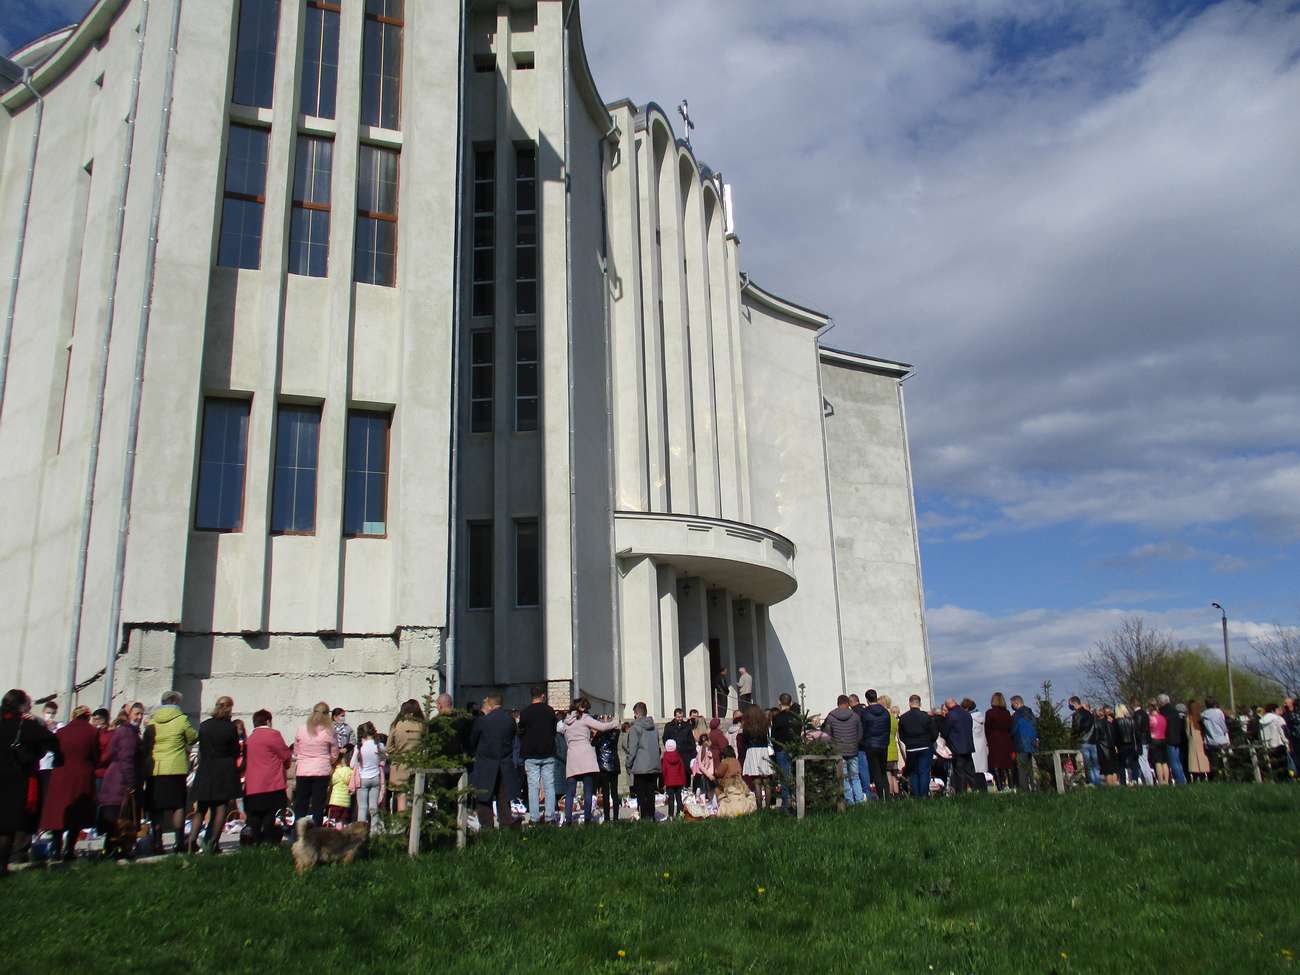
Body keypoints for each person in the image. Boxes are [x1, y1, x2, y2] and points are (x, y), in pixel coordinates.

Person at [1, 690, 60, 875]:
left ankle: (4, 864)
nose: (30, 707)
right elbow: (51, 739)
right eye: (27, 704)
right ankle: (13, 859)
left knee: (4, 824)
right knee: (17, 821)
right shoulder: (26, 724)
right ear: (21, 706)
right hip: (20, 779)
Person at [38, 704, 98, 861]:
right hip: (81, 776)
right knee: (78, 813)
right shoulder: (92, 732)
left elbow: (55, 751)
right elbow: (95, 754)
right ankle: (69, 849)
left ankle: (55, 848)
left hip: (60, 775)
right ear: (87, 716)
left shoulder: (61, 732)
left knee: (58, 813)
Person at [144, 690, 198, 854]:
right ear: (175, 702)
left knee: (156, 807)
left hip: (156, 768)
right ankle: (178, 842)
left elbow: (147, 742)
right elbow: (193, 738)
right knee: (178, 806)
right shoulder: (181, 719)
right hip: (176, 768)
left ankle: (157, 842)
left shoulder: (153, 720)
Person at [188, 695, 242, 854]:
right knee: (220, 807)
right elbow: (235, 751)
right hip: (224, 769)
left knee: (201, 808)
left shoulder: (204, 725)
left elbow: (202, 747)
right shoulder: (230, 728)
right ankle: (212, 843)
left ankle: (191, 841)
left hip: (206, 767)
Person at [562, 698, 619, 825]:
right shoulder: (585, 718)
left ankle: (568, 820)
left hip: (572, 757)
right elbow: (602, 727)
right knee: (588, 790)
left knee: (570, 792)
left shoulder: (566, 721)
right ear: (582, 707)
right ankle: (587, 819)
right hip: (586, 756)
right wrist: (615, 722)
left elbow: (566, 740)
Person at [468, 693, 518, 829]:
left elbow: (473, 741)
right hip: (504, 763)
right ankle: (506, 825)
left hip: (486, 764)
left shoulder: (483, 721)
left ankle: (487, 827)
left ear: (490, 704)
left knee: (484, 798)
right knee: (503, 798)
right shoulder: (510, 721)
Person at [98, 706, 142, 856]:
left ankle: (111, 850)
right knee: (120, 819)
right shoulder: (127, 733)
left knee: (116, 819)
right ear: (128, 714)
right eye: (136, 714)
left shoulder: (126, 731)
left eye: (141, 714)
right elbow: (126, 759)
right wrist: (131, 782)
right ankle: (117, 850)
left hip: (116, 778)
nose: (139, 717)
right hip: (120, 781)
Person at [243, 709, 291, 845]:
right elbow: (285, 755)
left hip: (253, 785)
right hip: (271, 783)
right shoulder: (273, 735)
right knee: (270, 814)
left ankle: (256, 841)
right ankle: (269, 842)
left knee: (255, 816)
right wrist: (286, 765)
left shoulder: (250, 739)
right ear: (268, 721)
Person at [517, 686, 558, 825]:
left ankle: (534, 818)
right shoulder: (550, 711)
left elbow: (521, 731)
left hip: (530, 753)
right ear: (543, 696)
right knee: (549, 786)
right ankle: (550, 817)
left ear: (531, 696)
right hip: (548, 752)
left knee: (533, 787)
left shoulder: (525, 712)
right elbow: (554, 731)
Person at [294, 701, 339, 825]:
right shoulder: (329, 731)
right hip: (321, 770)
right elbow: (335, 753)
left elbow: (296, 751)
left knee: (301, 803)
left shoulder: (301, 729)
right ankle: (316, 832)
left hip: (303, 770)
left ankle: (298, 831)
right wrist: (329, 761)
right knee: (318, 805)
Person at [821, 696, 865, 805]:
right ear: (848, 703)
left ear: (838, 703)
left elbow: (827, 735)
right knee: (855, 776)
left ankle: (849, 801)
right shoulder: (855, 716)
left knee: (844, 778)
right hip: (853, 750)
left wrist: (833, 746)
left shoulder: (831, 717)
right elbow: (860, 733)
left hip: (839, 751)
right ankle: (859, 800)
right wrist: (854, 743)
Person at [622, 702, 661, 823]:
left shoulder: (635, 728)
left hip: (640, 766)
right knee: (651, 794)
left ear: (637, 714)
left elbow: (632, 749)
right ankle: (652, 816)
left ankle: (644, 818)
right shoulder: (654, 728)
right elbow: (658, 746)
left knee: (641, 794)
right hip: (654, 765)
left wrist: (628, 764)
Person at [387, 699, 425, 813]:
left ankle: (401, 821)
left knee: (401, 796)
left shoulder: (397, 725)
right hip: (416, 763)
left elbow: (389, 747)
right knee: (416, 796)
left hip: (400, 764)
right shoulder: (421, 725)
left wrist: (397, 753)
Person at [898, 694, 937, 798]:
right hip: (925, 746)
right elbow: (934, 733)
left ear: (909, 703)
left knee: (913, 772)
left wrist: (908, 742)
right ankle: (924, 795)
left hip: (911, 748)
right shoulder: (926, 717)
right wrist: (929, 741)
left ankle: (916, 795)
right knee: (924, 772)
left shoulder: (903, 718)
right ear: (920, 703)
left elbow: (901, 735)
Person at [351, 722, 386, 834]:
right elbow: (383, 761)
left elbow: (352, 764)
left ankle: (360, 832)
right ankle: (374, 832)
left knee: (362, 807)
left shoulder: (359, 747)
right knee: (374, 807)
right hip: (375, 778)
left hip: (363, 779)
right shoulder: (380, 745)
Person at [738, 704, 774, 808]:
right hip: (763, 750)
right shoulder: (764, 724)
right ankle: (768, 807)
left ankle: (759, 807)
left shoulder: (747, 726)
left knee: (757, 781)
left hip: (752, 751)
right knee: (767, 781)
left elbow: (744, 740)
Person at [943, 698, 982, 793]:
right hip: (968, 745)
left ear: (948, 706)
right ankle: (975, 789)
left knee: (959, 772)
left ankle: (961, 792)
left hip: (957, 747)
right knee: (970, 771)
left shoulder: (951, 715)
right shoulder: (966, 714)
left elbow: (946, 731)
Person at [770, 693, 800, 813]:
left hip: (781, 749)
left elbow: (773, 736)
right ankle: (796, 802)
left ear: (779, 702)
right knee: (794, 774)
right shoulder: (795, 717)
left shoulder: (777, 718)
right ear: (790, 703)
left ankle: (786, 804)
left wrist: (776, 747)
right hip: (793, 748)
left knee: (784, 776)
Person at [715, 746, 756, 817]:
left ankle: (719, 807)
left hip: (728, 783)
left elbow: (719, 773)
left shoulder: (725, 761)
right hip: (739, 782)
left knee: (717, 789)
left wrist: (715, 771)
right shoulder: (737, 761)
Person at [984, 693, 1014, 791]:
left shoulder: (990, 713)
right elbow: (1010, 726)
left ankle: (1000, 787)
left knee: (996, 764)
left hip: (994, 740)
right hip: (1006, 740)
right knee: (1007, 764)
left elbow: (987, 728)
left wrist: (988, 740)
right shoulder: (1007, 713)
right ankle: (1011, 786)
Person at [594, 720, 621, 822]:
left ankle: (607, 818)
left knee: (605, 793)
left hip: (603, 766)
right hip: (614, 765)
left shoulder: (599, 735)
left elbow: (593, 743)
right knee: (614, 792)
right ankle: (616, 817)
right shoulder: (615, 733)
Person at [1068, 697, 1099, 786]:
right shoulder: (1089, 714)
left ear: (1074, 703)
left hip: (1083, 741)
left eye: (1069, 704)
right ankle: (1097, 782)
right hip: (1093, 740)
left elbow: (1076, 728)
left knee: (1087, 764)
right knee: (1095, 764)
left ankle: (1090, 782)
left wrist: (1072, 739)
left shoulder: (1077, 715)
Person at [1009, 695, 1037, 791]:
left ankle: (1024, 790)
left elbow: (1013, 730)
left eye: (1012, 704)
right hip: (1032, 744)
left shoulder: (1017, 715)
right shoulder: (1031, 714)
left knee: (1022, 770)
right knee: (1031, 769)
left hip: (1021, 744)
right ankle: (1034, 787)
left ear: (1016, 703)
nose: (1012, 706)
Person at [1158, 694, 1187, 785]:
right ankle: (1182, 779)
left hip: (1169, 739)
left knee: (1173, 762)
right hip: (1177, 739)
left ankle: (1179, 781)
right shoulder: (1175, 711)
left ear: (1161, 702)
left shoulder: (1163, 713)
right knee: (1178, 761)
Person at [1200, 698, 1230, 780]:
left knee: (1213, 761)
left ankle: (1216, 777)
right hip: (1221, 740)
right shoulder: (1218, 712)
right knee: (1223, 760)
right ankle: (1226, 777)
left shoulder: (1203, 714)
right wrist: (1225, 730)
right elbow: (1222, 724)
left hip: (1210, 741)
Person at [663, 708, 697, 776]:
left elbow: (691, 740)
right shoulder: (669, 726)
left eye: (681, 717)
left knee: (685, 773)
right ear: (674, 716)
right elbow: (665, 738)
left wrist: (692, 752)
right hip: (673, 754)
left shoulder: (687, 726)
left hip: (685, 754)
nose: (680, 719)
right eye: (678, 717)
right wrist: (670, 748)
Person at [1259, 703, 1290, 782]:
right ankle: (1284, 779)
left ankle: (1275, 779)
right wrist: (1286, 742)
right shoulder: (1277, 718)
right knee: (1282, 764)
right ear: (1273, 710)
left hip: (1267, 744)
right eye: (1277, 709)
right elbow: (1281, 731)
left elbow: (1261, 733)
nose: (1278, 711)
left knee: (1273, 764)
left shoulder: (1262, 720)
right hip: (1278, 743)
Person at [1114, 705, 1140, 785]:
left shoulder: (1116, 722)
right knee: (1134, 763)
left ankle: (1123, 782)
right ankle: (1134, 780)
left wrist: (1115, 745)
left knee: (1121, 764)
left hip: (1121, 745)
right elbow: (1136, 733)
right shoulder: (1131, 720)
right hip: (1132, 744)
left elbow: (1114, 735)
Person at [966, 698, 989, 789]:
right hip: (982, 745)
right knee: (981, 771)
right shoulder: (981, 717)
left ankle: (976, 789)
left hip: (973, 746)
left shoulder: (970, 719)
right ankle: (984, 789)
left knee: (973, 770)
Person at [661, 739, 687, 818]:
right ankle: (680, 815)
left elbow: (664, 769)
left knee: (671, 799)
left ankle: (671, 815)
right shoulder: (678, 755)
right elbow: (682, 769)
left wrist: (663, 781)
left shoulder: (665, 756)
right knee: (679, 798)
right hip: (679, 781)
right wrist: (684, 781)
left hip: (669, 782)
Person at [328, 746, 354, 824]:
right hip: (346, 801)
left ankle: (336, 829)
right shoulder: (350, 771)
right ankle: (342, 829)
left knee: (334, 819)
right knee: (343, 819)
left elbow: (331, 782)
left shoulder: (336, 772)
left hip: (335, 800)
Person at [1186, 700, 1211, 781]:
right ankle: (1203, 775)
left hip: (1193, 740)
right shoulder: (1201, 717)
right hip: (1201, 738)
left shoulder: (1189, 718)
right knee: (1202, 758)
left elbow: (1187, 731)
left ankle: (1195, 777)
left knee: (1194, 761)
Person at [1094, 705, 1118, 786]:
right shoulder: (1110, 722)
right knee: (1113, 769)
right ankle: (1115, 786)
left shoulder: (1097, 724)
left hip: (1103, 748)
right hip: (1112, 747)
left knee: (1107, 770)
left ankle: (1110, 787)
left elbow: (1096, 737)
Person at [1148, 699, 1169, 785]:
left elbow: (1149, 729)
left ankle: (1160, 781)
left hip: (1154, 740)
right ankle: (1166, 781)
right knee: (1164, 761)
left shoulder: (1150, 718)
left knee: (1158, 762)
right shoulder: (1163, 718)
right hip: (1163, 739)